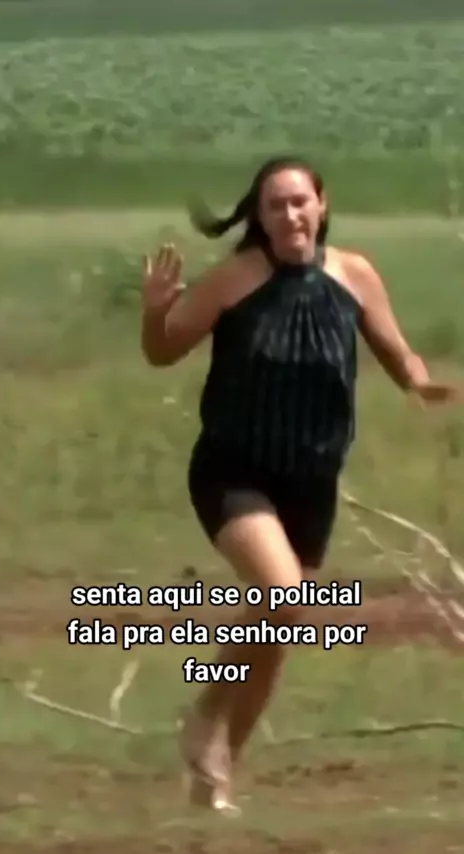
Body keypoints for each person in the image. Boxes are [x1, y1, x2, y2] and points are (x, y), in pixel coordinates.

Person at [140, 156, 461, 817]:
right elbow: (162, 351)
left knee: (278, 632)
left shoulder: (354, 275)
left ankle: (218, 776)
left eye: (298, 202)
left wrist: (421, 382)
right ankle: (205, 712)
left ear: (321, 205)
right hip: (234, 471)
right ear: (259, 218)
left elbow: (396, 351)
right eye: (274, 205)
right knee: (281, 596)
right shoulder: (234, 279)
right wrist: (154, 313)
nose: (289, 214)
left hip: (312, 483)